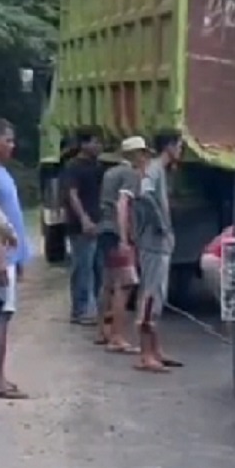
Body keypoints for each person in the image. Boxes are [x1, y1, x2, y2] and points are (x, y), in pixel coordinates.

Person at [133, 130, 183, 373]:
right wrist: (160, 223)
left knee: (158, 296)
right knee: (150, 296)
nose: (180, 151)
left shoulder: (161, 170)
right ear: (170, 147)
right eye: (179, 146)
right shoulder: (154, 169)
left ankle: (156, 350)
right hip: (153, 244)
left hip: (160, 245)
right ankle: (145, 355)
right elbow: (144, 194)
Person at [94, 136, 147, 352]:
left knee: (108, 283)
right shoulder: (131, 174)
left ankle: (102, 331)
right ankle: (117, 337)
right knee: (125, 284)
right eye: (143, 153)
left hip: (104, 230)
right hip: (117, 232)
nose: (145, 157)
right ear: (135, 154)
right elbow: (123, 204)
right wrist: (125, 238)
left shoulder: (110, 173)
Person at [0, 118, 29, 399]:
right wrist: (1, 261)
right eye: (7, 140)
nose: (12, 145)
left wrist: (19, 259)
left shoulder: (2, 172)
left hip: (9, 257)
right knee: (1, 318)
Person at [61, 127, 105, 325]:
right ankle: (79, 311)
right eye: (95, 142)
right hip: (80, 226)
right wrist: (84, 219)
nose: (99, 146)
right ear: (83, 144)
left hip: (97, 223)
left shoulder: (96, 166)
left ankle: (93, 308)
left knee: (98, 269)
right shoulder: (73, 167)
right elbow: (72, 194)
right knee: (82, 268)